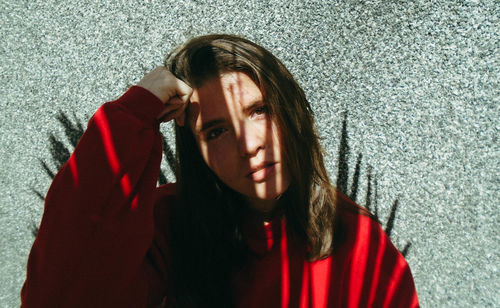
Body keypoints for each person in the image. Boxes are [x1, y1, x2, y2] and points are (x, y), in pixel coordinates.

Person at [21, 34, 419, 307]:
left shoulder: (355, 236)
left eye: (259, 111)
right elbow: (60, 294)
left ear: (291, 110)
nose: (249, 145)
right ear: (196, 150)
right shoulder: (166, 226)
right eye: (215, 131)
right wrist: (134, 112)